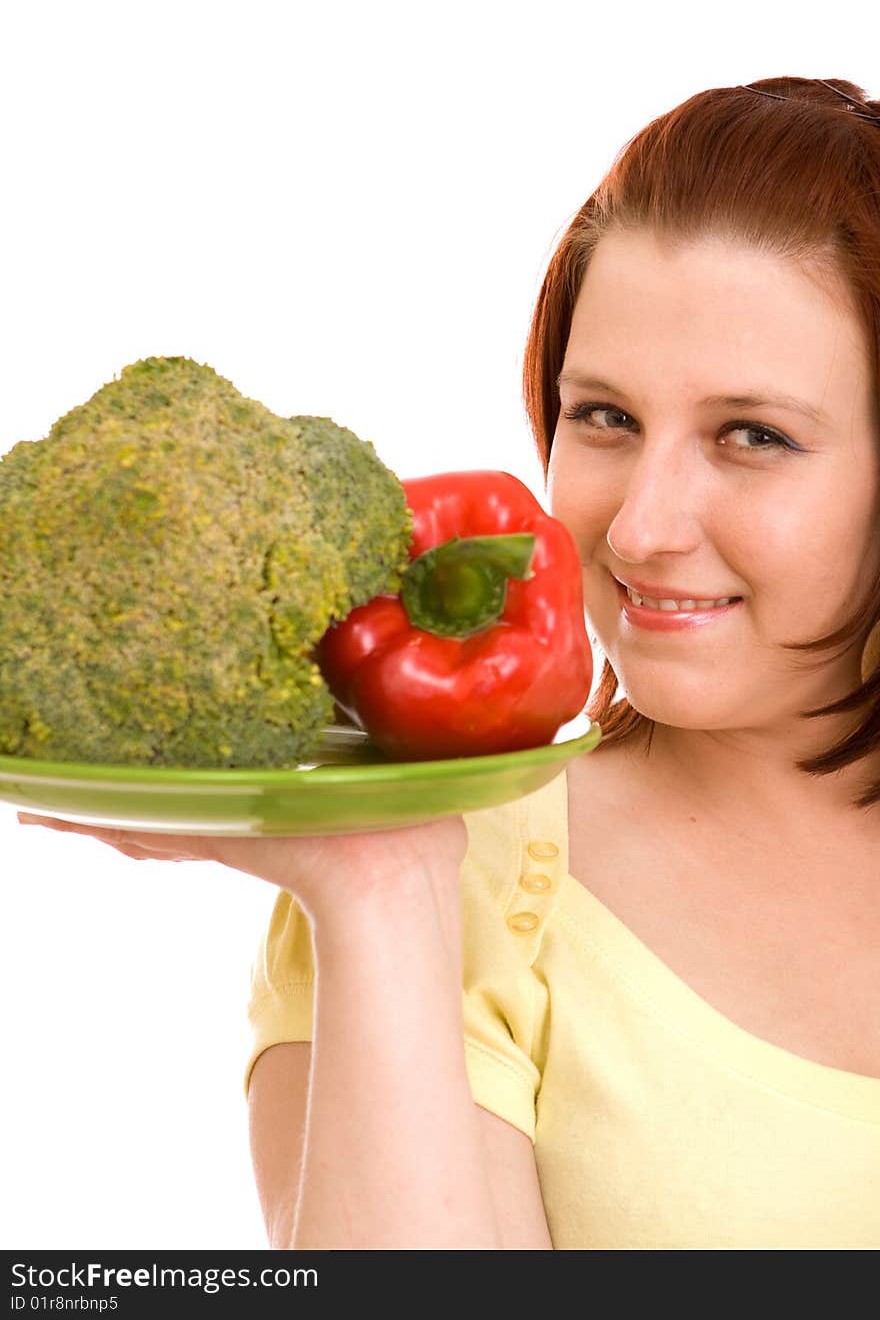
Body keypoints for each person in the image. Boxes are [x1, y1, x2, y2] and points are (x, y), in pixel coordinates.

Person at [19, 75, 880, 1249]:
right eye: (605, 418)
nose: (637, 530)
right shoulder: (465, 860)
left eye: (753, 435)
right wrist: (379, 897)